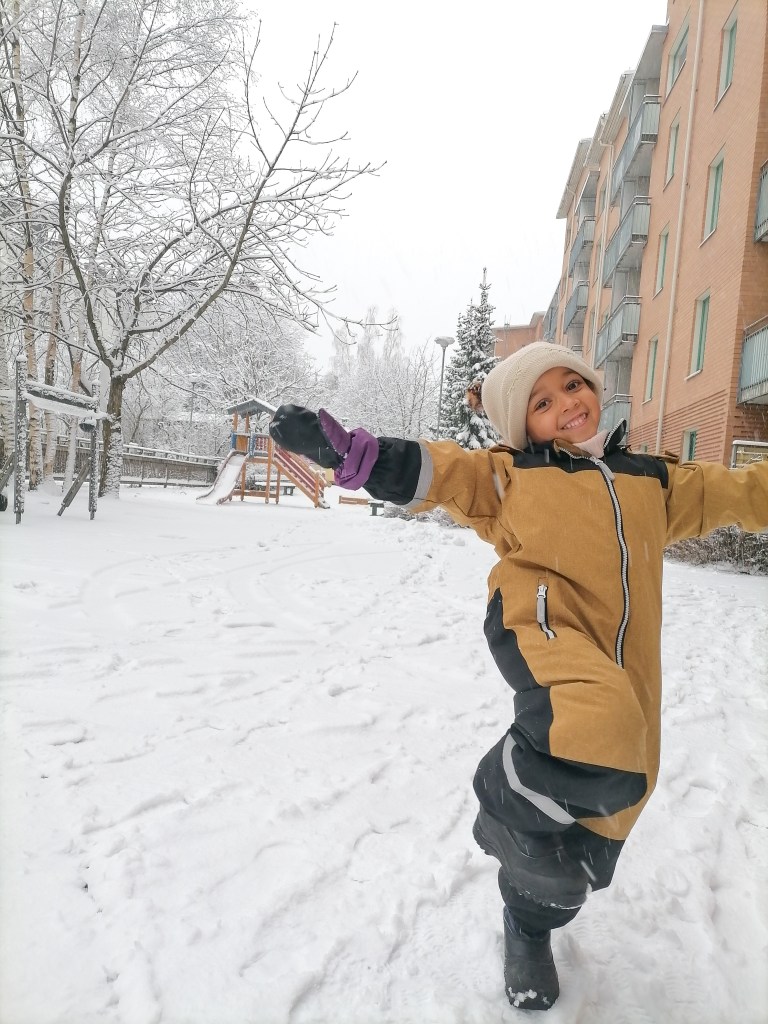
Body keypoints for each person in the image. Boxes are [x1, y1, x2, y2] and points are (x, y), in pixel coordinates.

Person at [268, 341, 768, 1012]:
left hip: (627, 667)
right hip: (542, 625)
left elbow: (742, 492)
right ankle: (502, 794)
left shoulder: (654, 479)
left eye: (572, 386)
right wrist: (356, 454)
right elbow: (438, 471)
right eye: (542, 401)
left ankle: (530, 923)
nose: (567, 404)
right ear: (521, 424)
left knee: (603, 818)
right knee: (597, 720)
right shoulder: (509, 476)